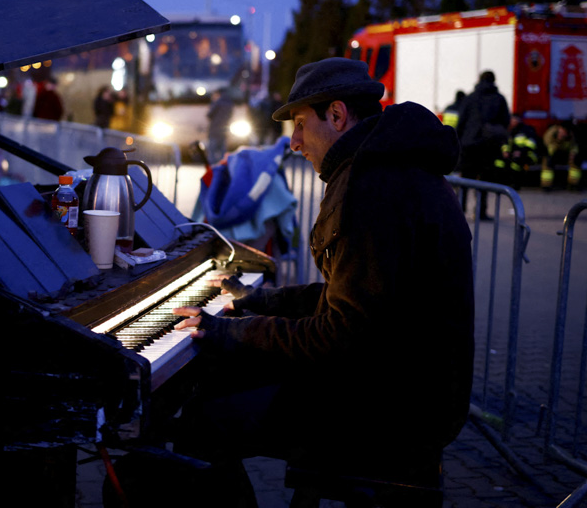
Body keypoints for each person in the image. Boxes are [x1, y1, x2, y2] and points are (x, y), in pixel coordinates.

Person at [160, 57, 474, 505]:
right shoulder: (393, 168)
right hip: (410, 383)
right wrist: (258, 302)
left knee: (204, 421)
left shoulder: (372, 187)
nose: (294, 143)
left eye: (302, 125)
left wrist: (228, 332)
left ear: (338, 115)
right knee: (224, 381)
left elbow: (340, 334)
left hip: (390, 407)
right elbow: (358, 297)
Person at [456, 70, 510, 219]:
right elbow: (505, 121)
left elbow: (461, 122)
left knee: (465, 180)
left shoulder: (470, 98)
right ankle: (480, 212)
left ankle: (459, 211)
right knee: (484, 182)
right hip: (489, 146)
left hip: (469, 145)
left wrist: (459, 140)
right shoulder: (499, 99)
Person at [541, 120, 582, 190]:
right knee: (548, 161)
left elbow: (574, 146)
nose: (564, 133)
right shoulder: (551, 133)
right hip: (553, 153)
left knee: (576, 160)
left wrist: (573, 153)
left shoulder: (571, 135)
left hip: (565, 154)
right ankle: (546, 185)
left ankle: (573, 184)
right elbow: (549, 149)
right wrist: (558, 140)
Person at [206, 87, 234, 164]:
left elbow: (209, 115)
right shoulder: (229, 103)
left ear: (218, 94)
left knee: (212, 152)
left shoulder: (217, 103)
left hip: (214, 130)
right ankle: (222, 167)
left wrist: (213, 104)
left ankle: (212, 169)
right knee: (222, 152)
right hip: (224, 130)